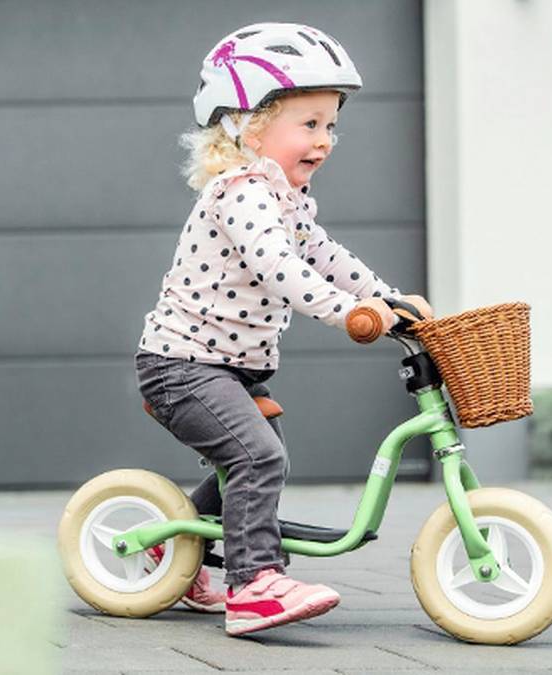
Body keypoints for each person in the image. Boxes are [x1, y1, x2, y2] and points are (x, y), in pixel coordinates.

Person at [134, 22, 433, 637]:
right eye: (309, 123)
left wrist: (385, 297)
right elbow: (282, 267)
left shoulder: (287, 199)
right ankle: (254, 587)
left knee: (250, 456)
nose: (324, 139)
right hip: (182, 365)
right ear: (247, 124)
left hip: (228, 367)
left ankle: (172, 550)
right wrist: (345, 312)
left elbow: (325, 256)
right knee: (257, 457)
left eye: (331, 125)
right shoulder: (242, 194)